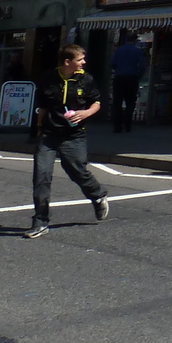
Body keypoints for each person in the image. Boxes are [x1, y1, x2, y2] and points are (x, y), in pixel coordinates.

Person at [24, 44, 110, 239]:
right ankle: (40, 221)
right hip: (49, 134)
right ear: (67, 62)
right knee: (41, 176)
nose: (84, 62)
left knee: (76, 169)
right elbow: (43, 107)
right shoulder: (49, 79)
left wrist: (86, 113)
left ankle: (97, 194)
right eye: (80, 59)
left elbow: (96, 102)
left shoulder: (85, 79)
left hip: (74, 134)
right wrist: (38, 128)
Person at [109, 30, 146, 133]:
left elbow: (112, 64)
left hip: (119, 77)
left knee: (118, 102)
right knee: (130, 102)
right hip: (132, 78)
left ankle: (117, 125)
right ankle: (127, 125)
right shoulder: (138, 51)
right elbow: (142, 66)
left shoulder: (119, 50)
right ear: (135, 40)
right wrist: (138, 76)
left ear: (126, 40)